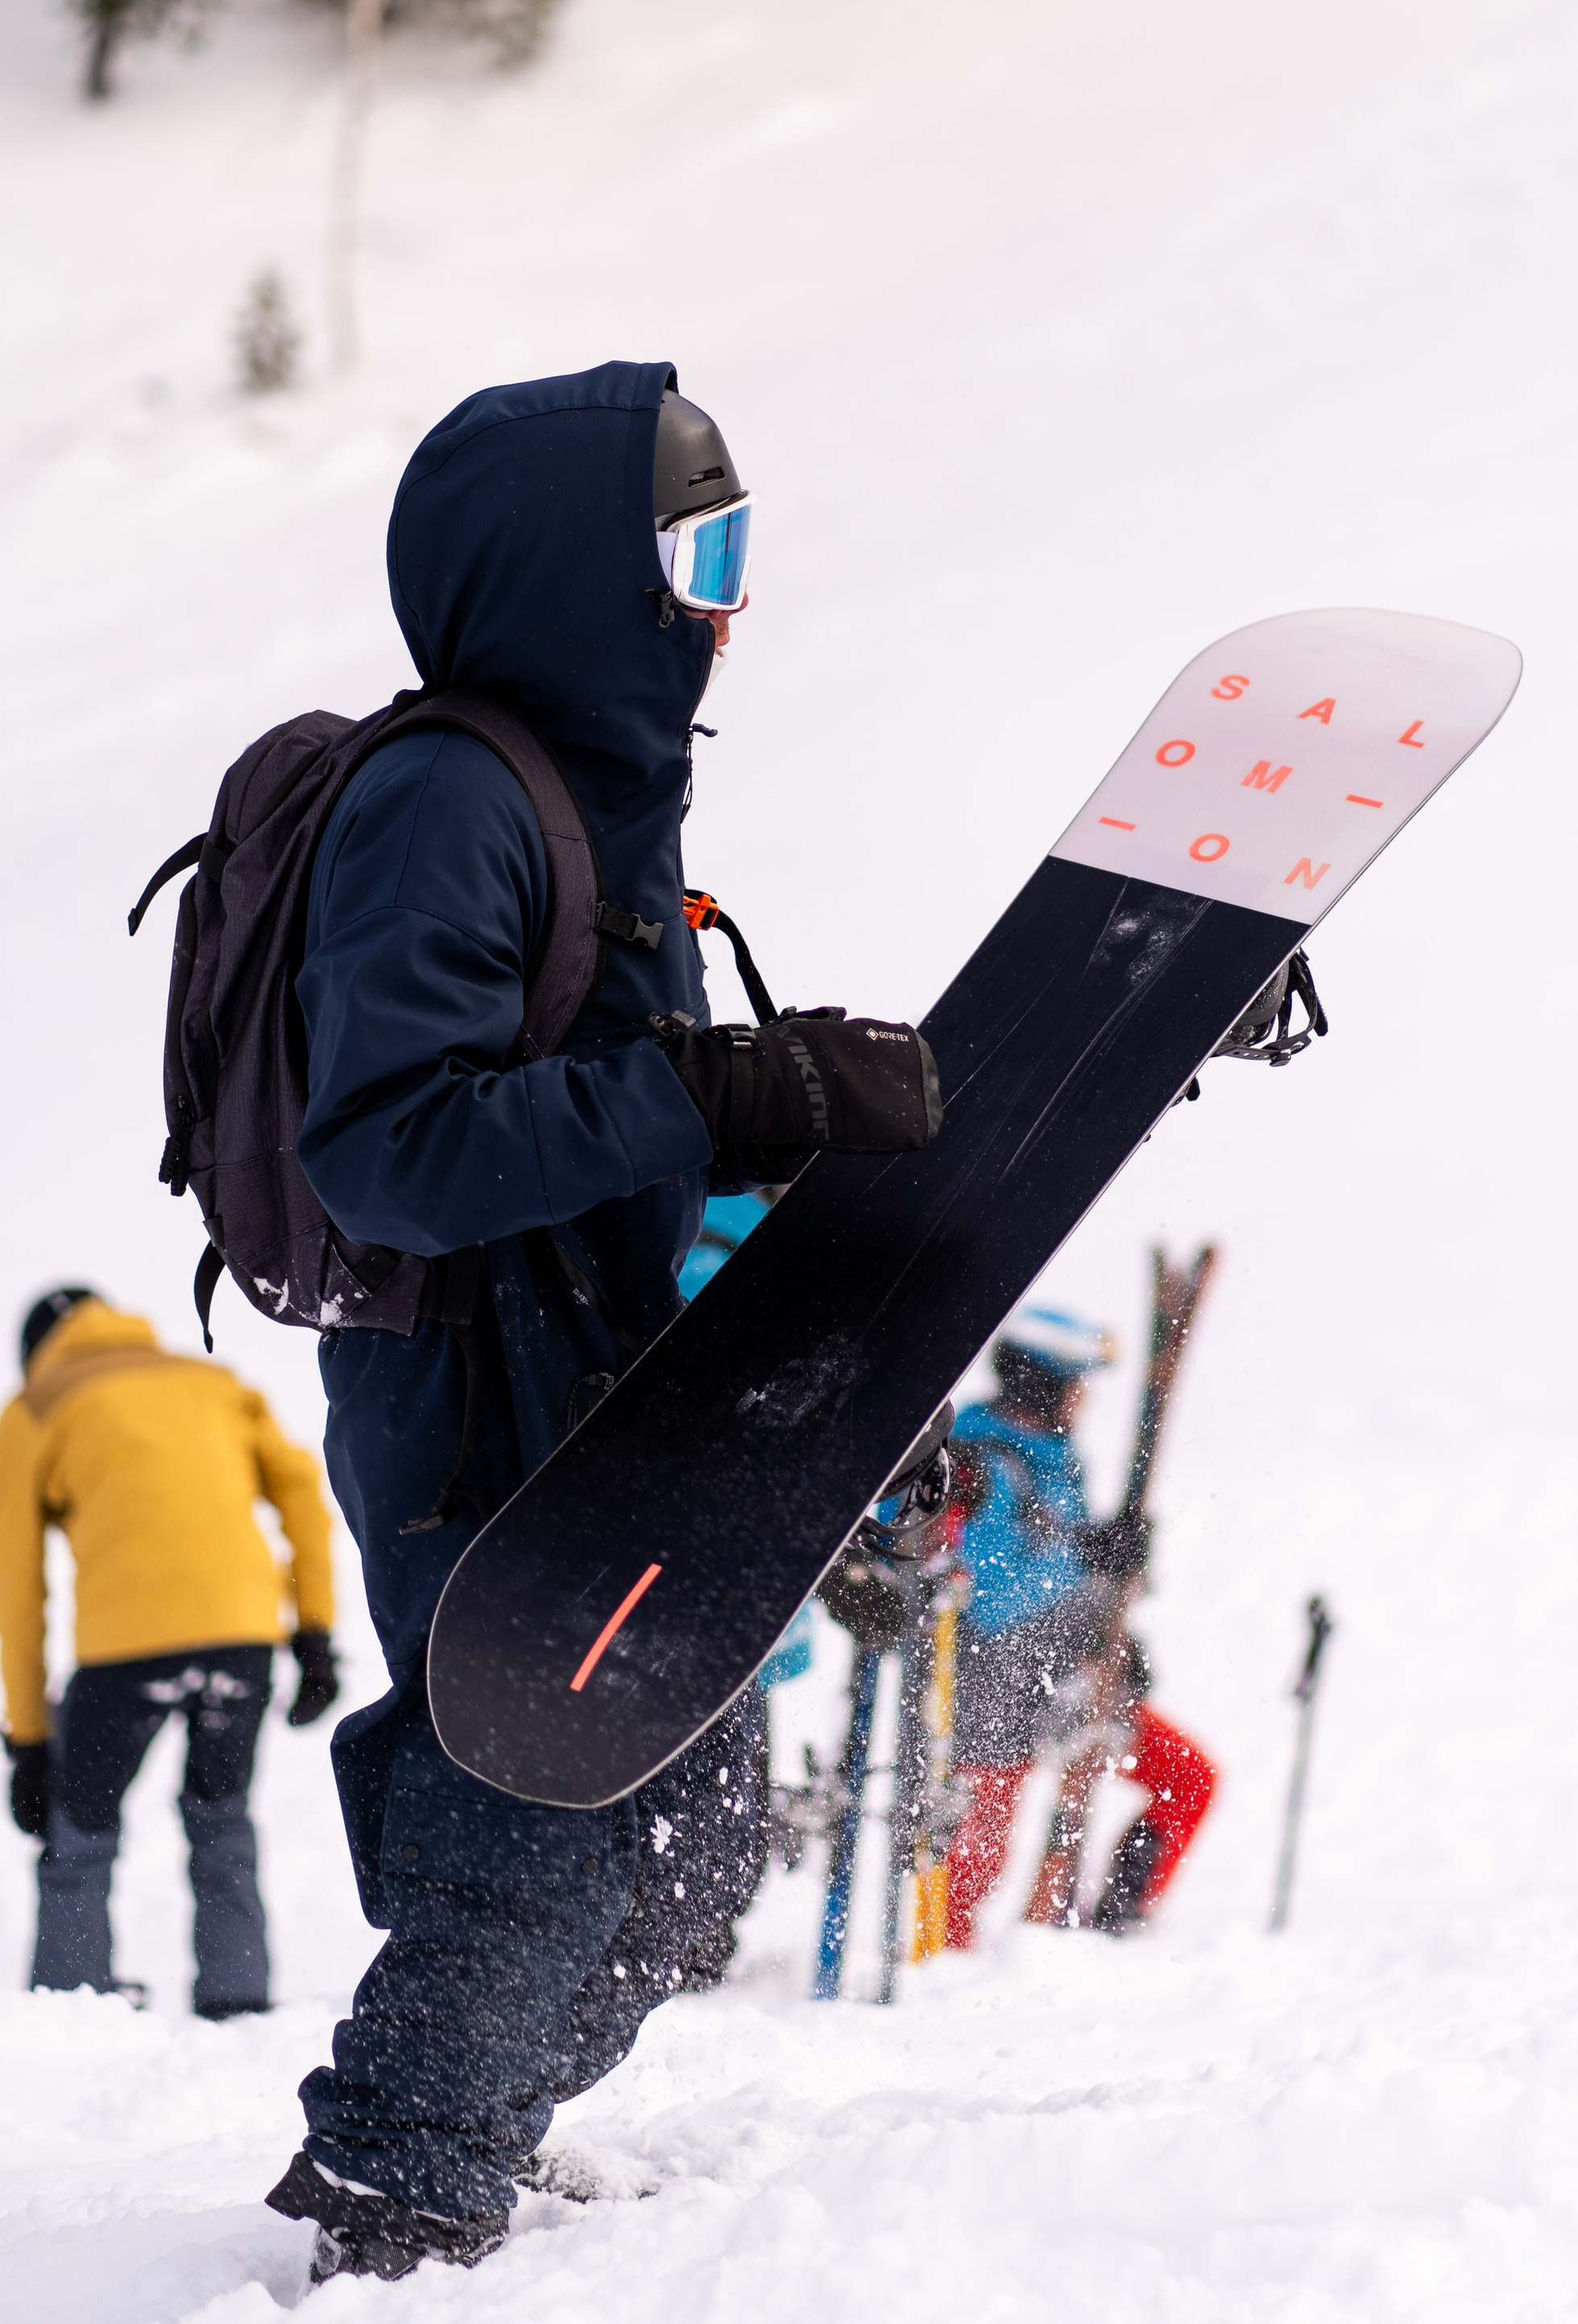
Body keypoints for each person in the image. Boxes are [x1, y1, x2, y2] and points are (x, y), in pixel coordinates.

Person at [261, 363, 940, 2282]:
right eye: (690, 548)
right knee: (539, 1787)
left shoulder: (593, 798)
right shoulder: (444, 801)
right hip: (466, 1390)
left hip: (596, 1361)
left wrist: (795, 1163)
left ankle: (472, 2106)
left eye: (736, 549)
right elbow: (389, 1149)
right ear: (577, 569)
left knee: (698, 1819)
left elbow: (623, 1105)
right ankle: (395, 2179)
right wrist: (711, 1095)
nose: (721, 598)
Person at [0, 1281, 338, 2016]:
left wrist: (29, 1742)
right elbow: (302, 1493)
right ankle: (237, 1997)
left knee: (79, 1835)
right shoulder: (211, 1383)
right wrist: (314, 1634)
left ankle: (72, 2002)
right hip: (243, 1641)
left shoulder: (34, 1407)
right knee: (222, 1818)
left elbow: (18, 1590)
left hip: (126, 1652)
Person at [944, 1300, 1216, 1946]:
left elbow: (1063, 1565)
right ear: (1039, 1382)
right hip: (991, 1695)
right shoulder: (976, 1465)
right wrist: (1089, 1557)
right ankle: (939, 1983)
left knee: (1187, 1779)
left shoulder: (1053, 1458)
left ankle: (1116, 1924)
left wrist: (1108, 1596)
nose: (1082, 1401)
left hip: (1067, 1681)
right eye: (1074, 1385)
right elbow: (988, 1599)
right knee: (972, 1869)